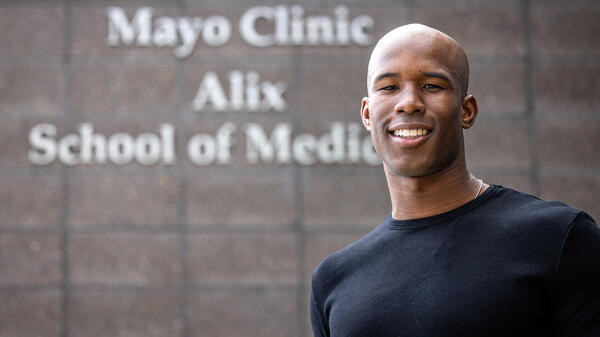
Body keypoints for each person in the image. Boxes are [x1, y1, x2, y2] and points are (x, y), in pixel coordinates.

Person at [310, 23, 600, 337]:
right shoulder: (334, 281)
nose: (409, 102)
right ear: (367, 115)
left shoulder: (558, 239)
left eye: (432, 85)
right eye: (389, 87)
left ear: (466, 110)